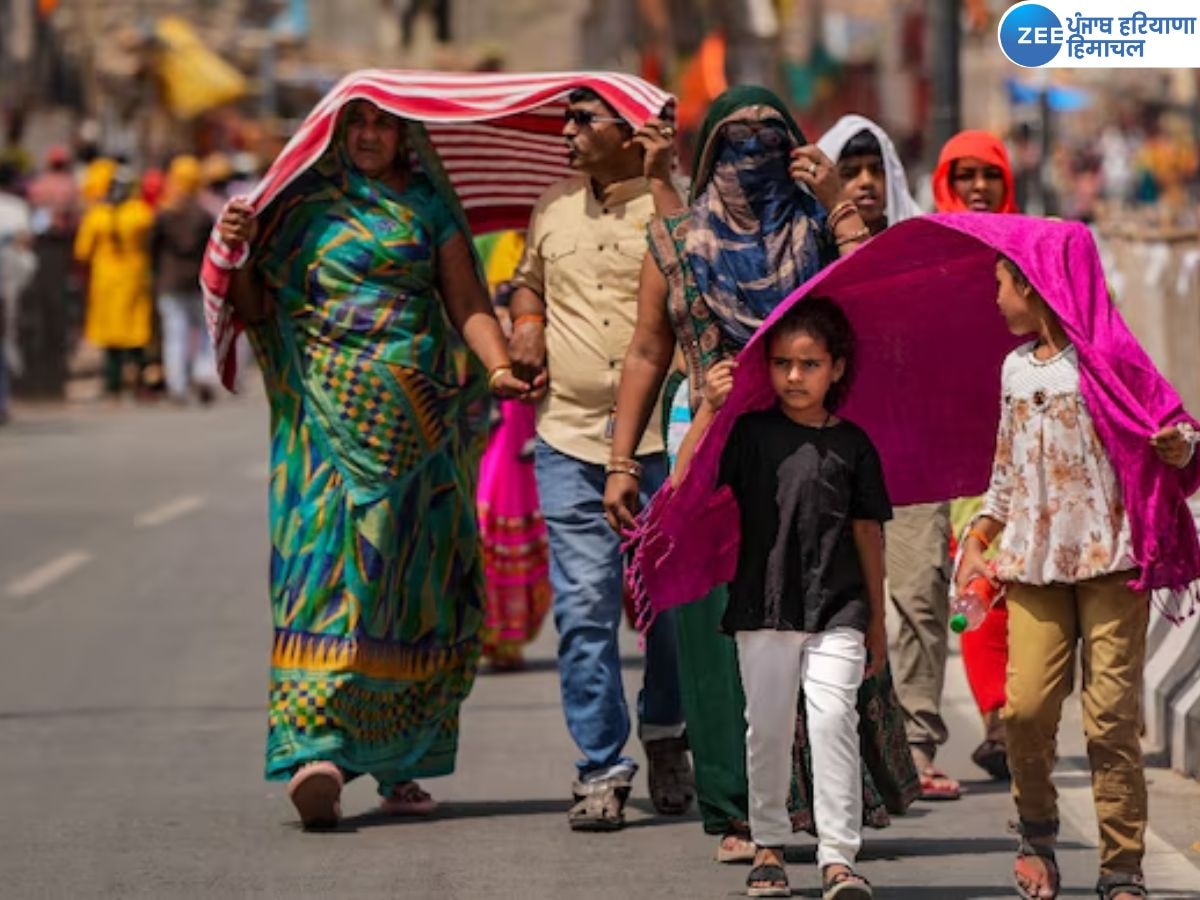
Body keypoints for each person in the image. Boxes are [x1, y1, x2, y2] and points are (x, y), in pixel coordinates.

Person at [605, 90, 910, 864]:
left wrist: (838, 200)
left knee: (823, 614)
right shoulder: (675, 241)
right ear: (709, 156)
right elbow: (645, 350)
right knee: (720, 629)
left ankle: (825, 807)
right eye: (734, 141)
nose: (751, 154)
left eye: (768, 139)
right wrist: (619, 459)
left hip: (812, 456)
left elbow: (873, 294)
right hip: (707, 442)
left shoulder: (813, 230)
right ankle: (737, 811)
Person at [214, 97, 528, 829]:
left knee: (408, 587)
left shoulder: (427, 209)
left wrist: (501, 367)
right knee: (321, 578)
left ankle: (400, 762)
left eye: (383, 124)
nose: (367, 136)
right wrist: (237, 250)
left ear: (405, 134)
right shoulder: (297, 213)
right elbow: (258, 307)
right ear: (331, 133)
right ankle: (315, 750)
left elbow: (468, 304)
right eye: (355, 123)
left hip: (417, 429)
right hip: (322, 429)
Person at [954, 219, 1200, 900]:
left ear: (1033, 287)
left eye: (1001, 285)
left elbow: (1172, 431)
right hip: (1032, 565)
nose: (996, 299)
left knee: (1111, 717)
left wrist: (1177, 447)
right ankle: (1037, 830)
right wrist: (980, 537)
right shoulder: (1012, 369)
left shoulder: (1111, 360)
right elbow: (1005, 472)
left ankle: (1121, 864)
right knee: (1027, 708)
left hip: (1112, 563)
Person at [507, 86, 693, 830]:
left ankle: (668, 734)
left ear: (631, 130)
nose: (568, 131)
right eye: (567, 119)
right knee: (585, 610)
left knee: (671, 611)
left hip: (664, 444)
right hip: (569, 439)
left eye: (586, 120)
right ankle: (600, 766)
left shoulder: (673, 206)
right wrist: (524, 320)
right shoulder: (551, 208)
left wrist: (665, 181)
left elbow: (698, 281)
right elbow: (529, 282)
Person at [673, 298, 888, 900]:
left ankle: (839, 858)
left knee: (831, 722)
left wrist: (876, 622)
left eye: (809, 364)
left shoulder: (855, 445)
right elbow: (684, 483)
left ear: (837, 368)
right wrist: (709, 410)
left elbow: (869, 534)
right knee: (766, 728)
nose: (794, 376)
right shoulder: (747, 432)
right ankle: (768, 843)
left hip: (840, 606)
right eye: (782, 363)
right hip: (762, 605)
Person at [817, 115, 962, 802]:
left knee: (919, 594)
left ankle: (917, 743)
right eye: (852, 171)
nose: (867, 184)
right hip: (826, 456)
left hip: (911, 452)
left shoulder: (923, 247)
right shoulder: (808, 248)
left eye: (876, 171)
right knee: (837, 604)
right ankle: (847, 749)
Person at [932, 129, 1018, 781]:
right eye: (965, 176)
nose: (978, 189)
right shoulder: (926, 251)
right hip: (960, 444)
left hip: (1035, 438)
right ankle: (997, 720)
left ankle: (1022, 714)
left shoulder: (1036, 248)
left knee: (1029, 583)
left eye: (988, 175)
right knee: (978, 575)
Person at [475, 229, 551, 670]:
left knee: (519, 513)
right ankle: (494, 631)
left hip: (534, 402)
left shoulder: (546, 234)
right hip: (489, 397)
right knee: (491, 514)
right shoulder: (485, 243)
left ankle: (509, 632)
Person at [75, 166, 155, 402]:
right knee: (136, 334)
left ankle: (113, 387)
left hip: (106, 281)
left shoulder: (96, 216)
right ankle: (140, 385)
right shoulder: (140, 213)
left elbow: (82, 251)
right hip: (133, 278)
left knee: (111, 336)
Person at [151, 156, 217, 405]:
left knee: (174, 334)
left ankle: (177, 384)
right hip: (198, 281)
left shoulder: (164, 215)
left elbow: (152, 250)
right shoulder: (203, 215)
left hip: (170, 283)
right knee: (203, 333)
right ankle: (203, 374)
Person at [0, 162, 36, 424]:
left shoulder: (15, 207)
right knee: (5, 339)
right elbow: (25, 243)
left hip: (7, 280)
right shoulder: (15, 208)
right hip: (7, 283)